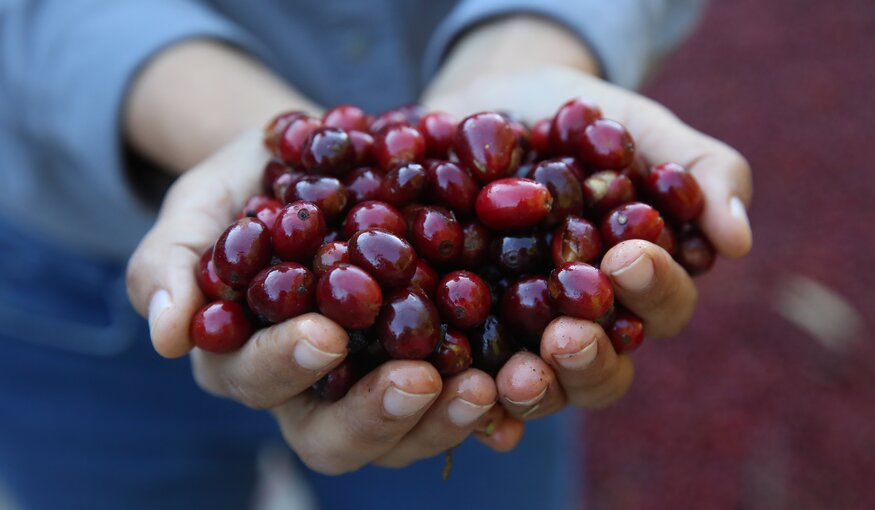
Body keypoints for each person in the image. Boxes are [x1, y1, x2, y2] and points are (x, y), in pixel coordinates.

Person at [0, 1, 753, 508]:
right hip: (59, 280)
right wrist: (224, 119)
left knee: (489, 402)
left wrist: (531, 38)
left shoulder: (464, 246)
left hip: (472, 387)